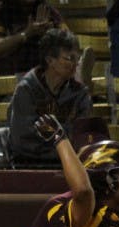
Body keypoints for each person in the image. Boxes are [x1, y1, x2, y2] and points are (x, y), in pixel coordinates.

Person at [6, 29, 92, 167]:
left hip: (69, 165)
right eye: (70, 58)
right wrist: (61, 145)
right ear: (50, 60)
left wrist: (50, 136)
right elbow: (22, 140)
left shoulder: (80, 94)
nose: (75, 63)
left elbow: (81, 137)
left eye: (78, 58)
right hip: (30, 165)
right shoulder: (27, 90)